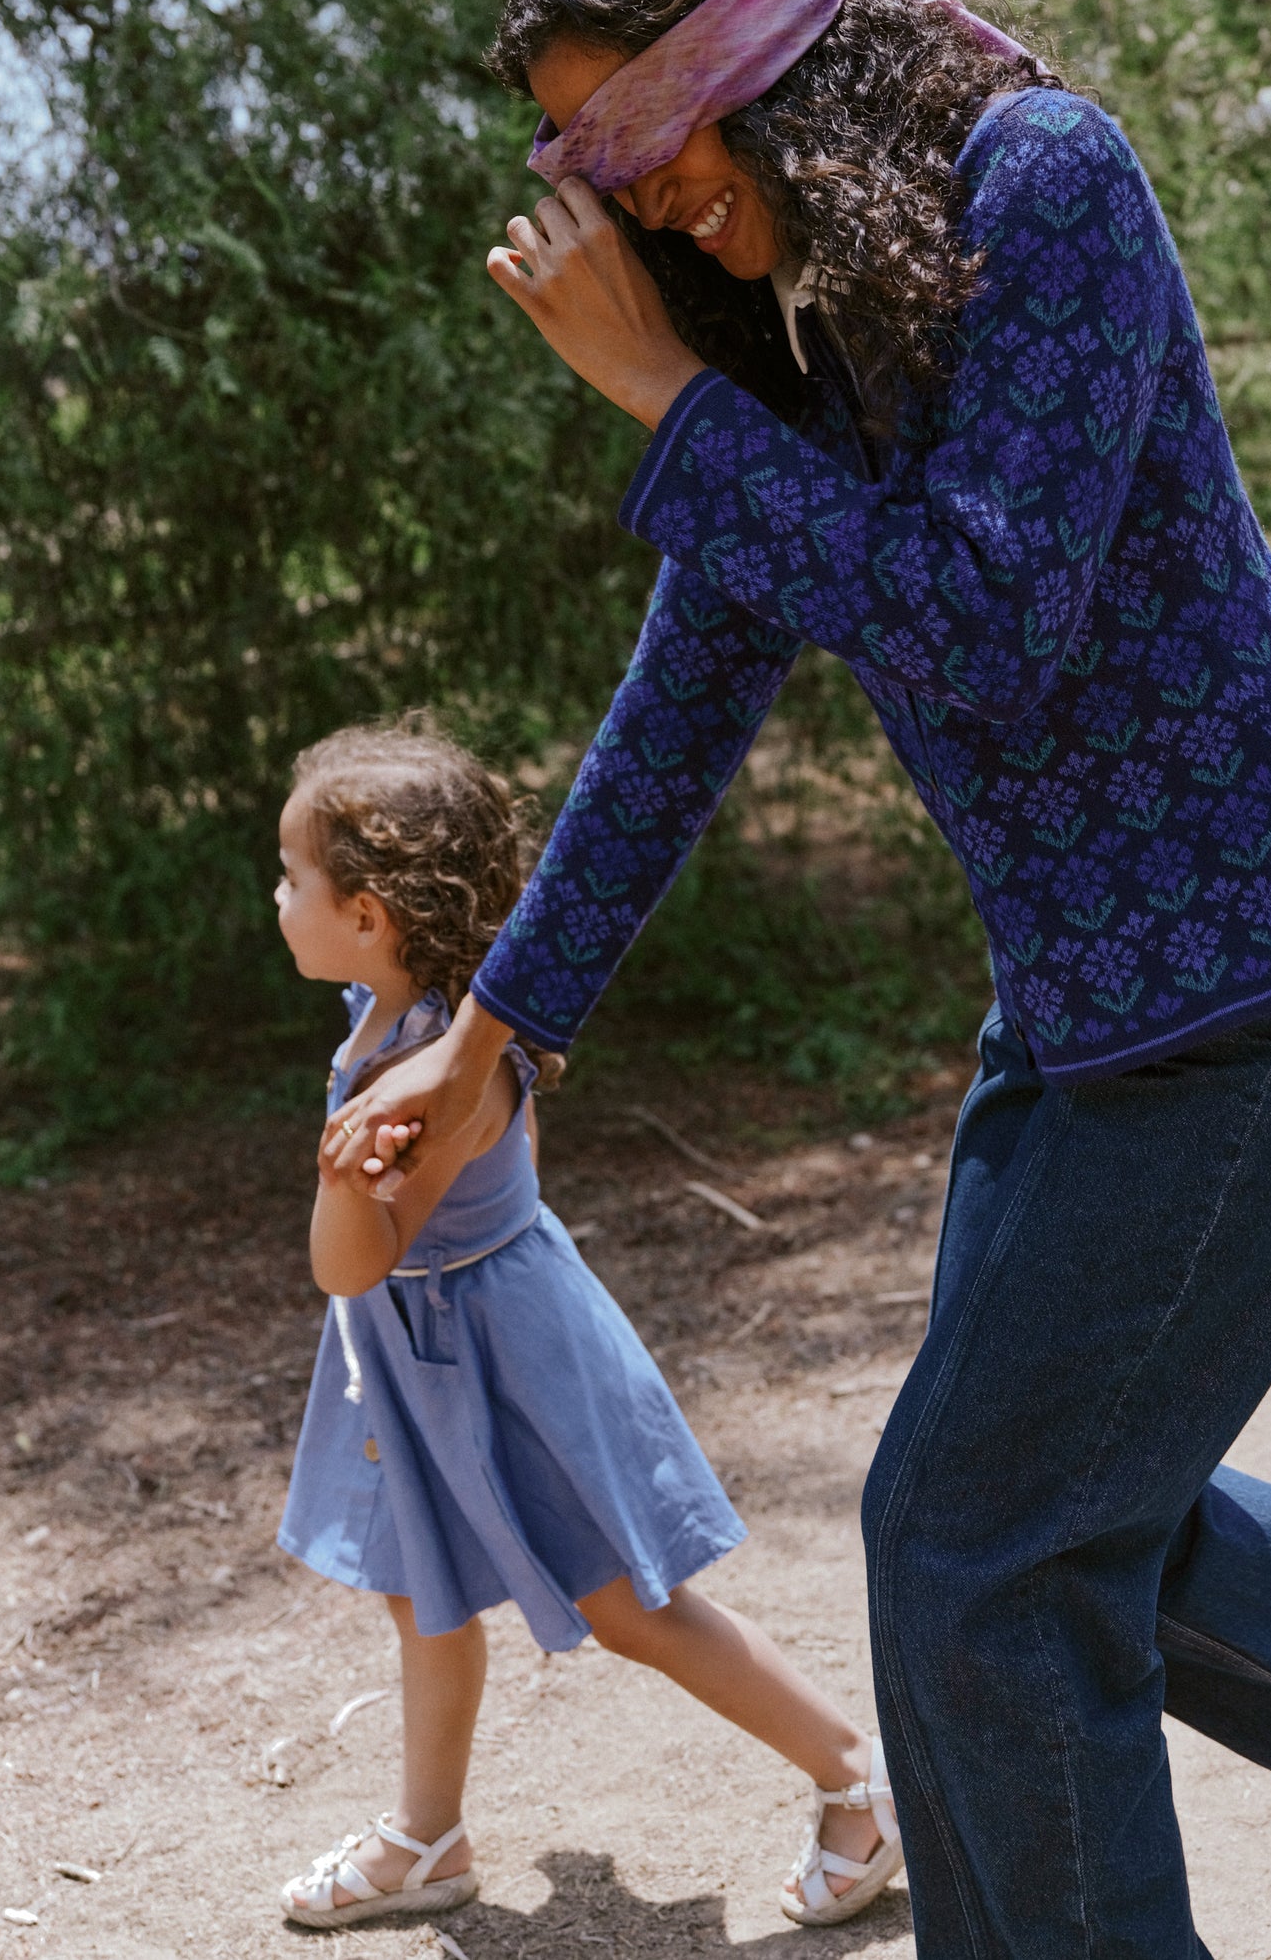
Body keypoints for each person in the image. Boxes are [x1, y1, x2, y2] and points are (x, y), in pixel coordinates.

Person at [326, 0, 1271, 1960]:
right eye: (599, 160)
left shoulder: (1043, 185)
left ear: (772, 62)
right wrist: (487, 1038)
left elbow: (991, 616)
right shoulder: (787, 331)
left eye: (660, 134)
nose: (648, 193)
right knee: (1027, 1521)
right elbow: (680, 702)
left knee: (981, 1537)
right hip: (1088, 997)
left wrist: (670, 398)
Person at [270, 718, 903, 1928]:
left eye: (293, 876)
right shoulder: (436, 1017)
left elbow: (348, 1268)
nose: (276, 895)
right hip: (432, 1352)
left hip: (505, 1354)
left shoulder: (432, 1076)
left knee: (630, 1604)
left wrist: (337, 1173)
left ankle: (856, 1777)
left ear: (368, 917)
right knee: (422, 1589)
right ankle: (428, 1837)